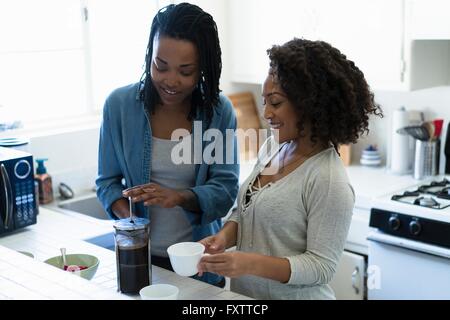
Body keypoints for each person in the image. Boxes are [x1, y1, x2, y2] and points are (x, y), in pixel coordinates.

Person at [198, 38, 383, 299]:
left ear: (308, 103)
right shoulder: (273, 148)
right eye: (264, 102)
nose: (266, 113)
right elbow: (247, 212)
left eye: (275, 103)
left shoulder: (328, 179)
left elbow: (321, 266)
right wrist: (222, 239)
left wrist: (248, 263)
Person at [95, 3, 239, 288]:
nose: (170, 81)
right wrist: (132, 222)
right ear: (150, 55)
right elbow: (107, 183)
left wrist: (179, 196)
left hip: (199, 266)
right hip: (139, 263)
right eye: (160, 66)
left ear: (203, 70)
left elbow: (225, 189)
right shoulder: (119, 106)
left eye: (185, 71)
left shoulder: (219, 112)